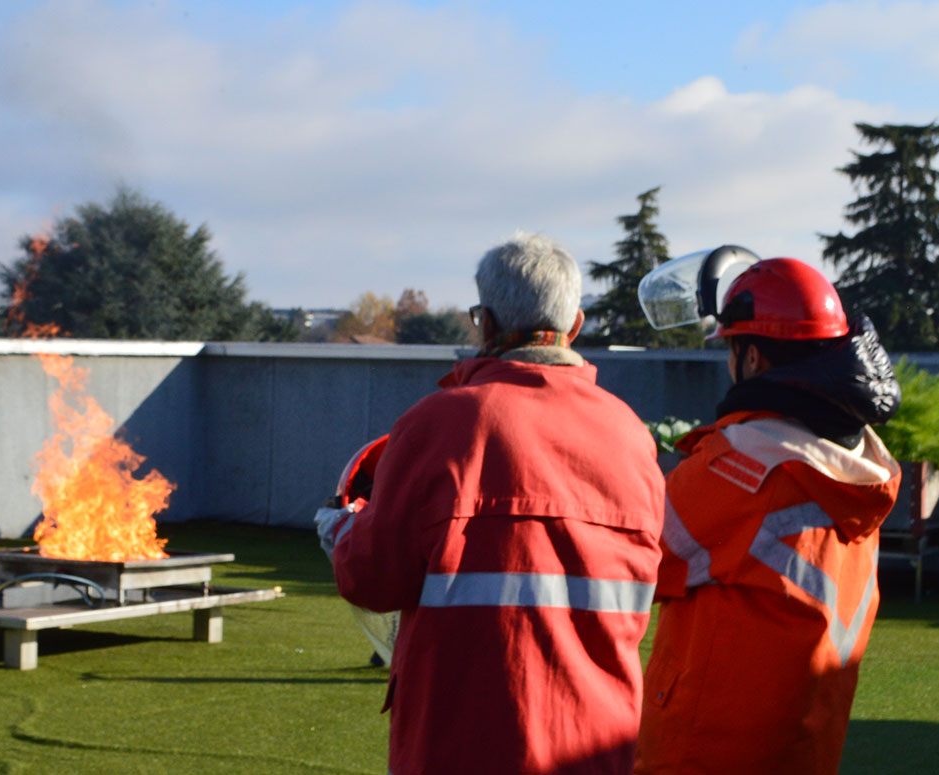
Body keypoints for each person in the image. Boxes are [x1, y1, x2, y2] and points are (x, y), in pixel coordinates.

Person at [329, 232, 665, 775]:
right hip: (597, 748)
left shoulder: (438, 425)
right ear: (574, 326)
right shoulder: (630, 435)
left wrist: (343, 528)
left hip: (458, 746)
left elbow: (371, 580)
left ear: (483, 322)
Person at [635, 257, 901, 774]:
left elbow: (635, 556)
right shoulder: (863, 468)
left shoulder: (740, 465)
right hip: (804, 754)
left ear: (752, 358)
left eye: (732, 349)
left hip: (704, 754)